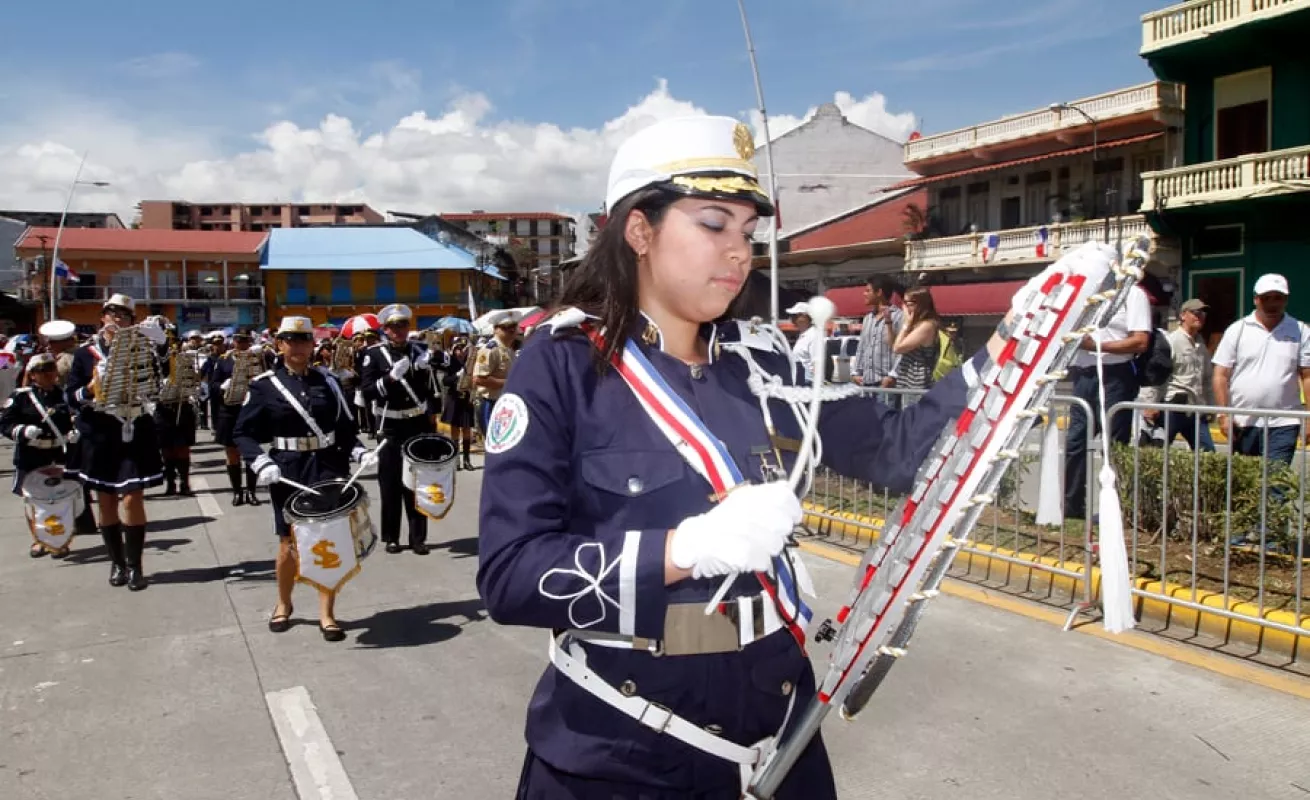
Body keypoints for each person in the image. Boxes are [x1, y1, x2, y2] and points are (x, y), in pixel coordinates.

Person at [476, 115, 995, 799]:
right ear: (639, 231)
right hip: (622, 743)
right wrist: (683, 549)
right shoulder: (563, 366)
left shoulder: (762, 364)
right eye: (713, 224)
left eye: (748, 232)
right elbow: (511, 575)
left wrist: (1020, 346)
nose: (738, 251)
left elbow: (898, 451)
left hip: (778, 732)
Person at [234, 316, 376, 642]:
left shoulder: (328, 382)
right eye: (291, 340)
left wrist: (358, 451)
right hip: (288, 469)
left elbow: (344, 428)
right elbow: (242, 432)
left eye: (304, 340)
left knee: (330, 536)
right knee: (288, 541)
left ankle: (327, 612)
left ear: (313, 344)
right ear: (279, 344)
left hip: (327, 466)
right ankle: (284, 603)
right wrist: (260, 461)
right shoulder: (264, 385)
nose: (298, 346)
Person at [65, 294, 165, 590]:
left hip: (133, 427)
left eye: (124, 315)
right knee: (106, 500)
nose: (117, 318)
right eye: (112, 313)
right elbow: (70, 396)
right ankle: (117, 562)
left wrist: (161, 345)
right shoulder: (85, 353)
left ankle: (135, 566)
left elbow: (161, 379)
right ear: (102, 318)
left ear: (132, 321)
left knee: (133, 497)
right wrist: (90, 388)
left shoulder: (142, 348)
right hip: (100, 431)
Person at [1063, 282, 1151, 520]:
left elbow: (1140, 341)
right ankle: (1072, 508)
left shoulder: (1132, 294)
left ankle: (1114, 509)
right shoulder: (1087, 293)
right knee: (1075, 442)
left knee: (1112, 445)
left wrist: (1096, 346)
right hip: (1084, 375)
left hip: (1115, 375)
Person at [360, 303, 437, 555]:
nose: (399, 330)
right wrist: (390, 378)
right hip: (390, 425)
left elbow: (434, 388)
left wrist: (431, 366)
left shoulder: (420, 350)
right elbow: (367, 391)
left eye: (403, 325)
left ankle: (418, 538)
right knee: (390, 483)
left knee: (417, 482)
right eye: (393, 327)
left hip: (416, 423)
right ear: (385, 330)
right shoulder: (373, 354)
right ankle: (391, 537)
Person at [1, 353, 78, 558]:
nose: (48, 374)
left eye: (51, 369)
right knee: (32, 500)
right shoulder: (21, 396)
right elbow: (5, 423)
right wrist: (22, 431)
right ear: (33, 374)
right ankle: (38, 539)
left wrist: (74, 432)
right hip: (31, 455)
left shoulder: (64, 395)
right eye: (42, 371)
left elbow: (74, 417)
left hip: (58, 454)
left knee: (61, 500)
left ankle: (59, 540)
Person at [1140, 298, 1214, 452]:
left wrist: (1211, 407)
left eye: (1203, 313)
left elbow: (1207, 379)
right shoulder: (1171, 341)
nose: (1200, 317)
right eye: (1195, 313)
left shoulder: (1201, 344)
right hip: (1173, 407)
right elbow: (1157, 375)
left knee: (1208, 454)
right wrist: (1150, 405)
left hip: (1196, 409)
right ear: (1183, 315)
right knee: (1157, 452)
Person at [209, 329, 264, 506]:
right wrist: (222, 386)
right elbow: (213, 384)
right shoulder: (223, 360)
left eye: (246, 341)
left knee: (251, 453)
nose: (242, 344)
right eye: (239, 341)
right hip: (229, 410)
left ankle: (251, 492)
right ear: (234, 341)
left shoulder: (256, 359)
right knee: (232, 453)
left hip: (250, 410)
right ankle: (237, 492)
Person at [155, 324, 200, 496]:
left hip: (182, 405)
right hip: (163, 407)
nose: (171, 345)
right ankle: (170, 484)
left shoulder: (184, 359)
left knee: (182, 448)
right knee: (166, 449)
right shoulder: (155, 360)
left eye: (173, 341)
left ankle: (185, 483)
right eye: (167, 342)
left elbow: (194, 379)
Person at [473, 315, 521, 443]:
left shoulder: (509, 350)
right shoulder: (490, 349)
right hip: (490, 403)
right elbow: (478, 379)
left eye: (513, 327)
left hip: (506, 403)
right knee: (494, 442)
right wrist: (510, 383)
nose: (511, 331)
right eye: (505, 328)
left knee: (506, 442)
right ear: (495, 329)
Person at [890, 287, 941, 398]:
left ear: (920, 304)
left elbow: (897, 348)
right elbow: (893, 343)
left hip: (918, 385)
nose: (904, 308)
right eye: (903, 303)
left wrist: (906, 324)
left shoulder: (927, 325)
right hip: (907, 382)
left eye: (908, 304)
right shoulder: (916, 324)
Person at [440, 337, 477, 471]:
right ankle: (456, 460)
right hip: (454, 398)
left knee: (467, 429)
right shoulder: (450, 362)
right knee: (454, 429)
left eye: (462, 349)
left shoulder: (471, 362)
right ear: (453, 350)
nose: (460, 352)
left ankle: (467, 460)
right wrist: (456, 375)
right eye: (457, 349)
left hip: (466, 398)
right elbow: (445, 381)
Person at [786, 302, 820, 382]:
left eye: (794, 315)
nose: (791, 319)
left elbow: (817, 364)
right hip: (800, 380)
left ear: (804, 317)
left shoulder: (814, 336)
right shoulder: (804, 335)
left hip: (808, 382)